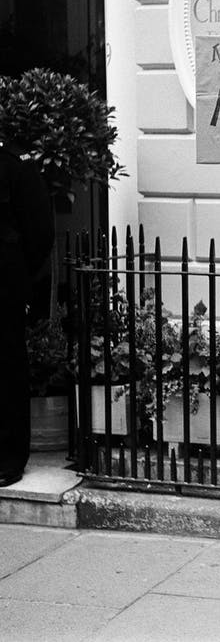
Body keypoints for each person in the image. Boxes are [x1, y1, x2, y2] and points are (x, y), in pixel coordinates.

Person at [0, 140, 54, 488]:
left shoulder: (14, 164)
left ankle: (7, 457)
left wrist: (17, 273)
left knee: (5, 367)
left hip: (2, 283)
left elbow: (40, 232)